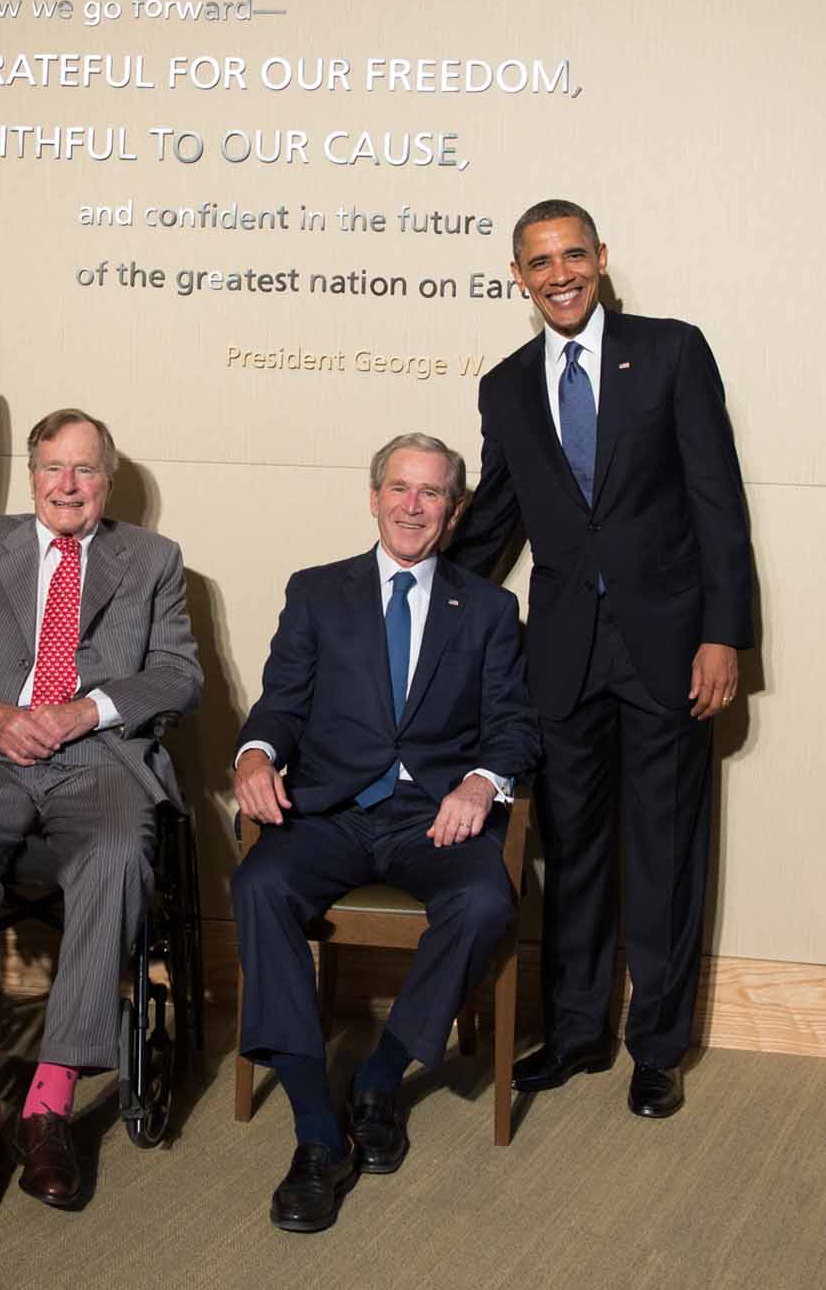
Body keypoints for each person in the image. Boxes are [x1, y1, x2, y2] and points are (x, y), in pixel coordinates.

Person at [444, 199, 755, 1120]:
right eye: (539, 263)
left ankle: (658, 1049)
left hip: (670, 651)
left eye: (573, 255)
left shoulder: (670, 352)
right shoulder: (504, 386)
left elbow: (716, 500)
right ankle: (578, 1032)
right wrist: (415, 588)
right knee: (572, 853)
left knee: (661, 854)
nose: (560, 275)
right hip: (564, 658)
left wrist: (723, 633)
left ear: (602, 258)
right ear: (519, 277)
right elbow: (495, 517)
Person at [0, 409, 201, 1221]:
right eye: (53, 468)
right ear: (31, 475)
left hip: (97, 759)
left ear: (110, 480)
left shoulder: (154, 560)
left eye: (87, 470)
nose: (69, 485)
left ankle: (49, 1104)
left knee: (116, 858)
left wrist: (85, 711)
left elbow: (176, 674)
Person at [231, 432, 537, 1232]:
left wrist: (481, 780)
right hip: (332, 811)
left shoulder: (492, 608)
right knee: (259, 884)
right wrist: (255, 756)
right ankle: (316, 1133)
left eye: (431, 493)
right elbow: (280, 705)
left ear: (455, 508)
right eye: (399, 488)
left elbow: (513, 727)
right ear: (373, 497)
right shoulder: (316, 592)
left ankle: (379, 1072)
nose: (412, 506)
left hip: (432, 816)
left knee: (483, 902)